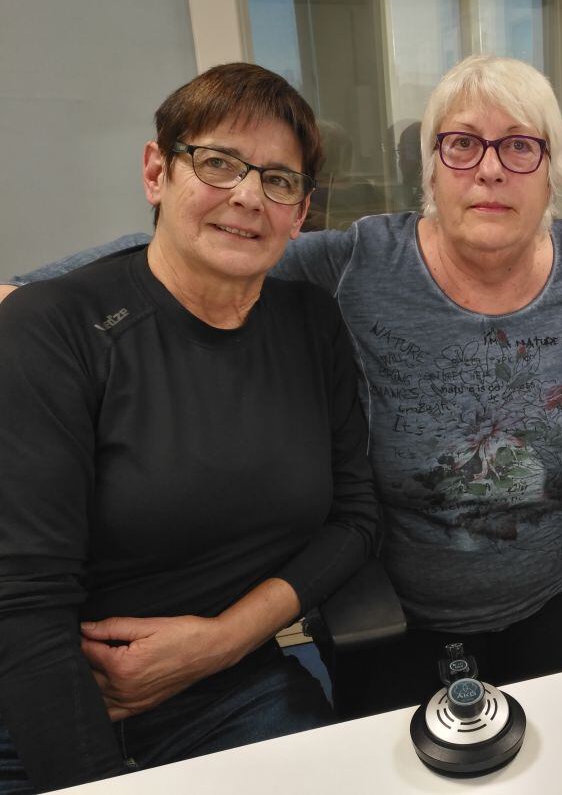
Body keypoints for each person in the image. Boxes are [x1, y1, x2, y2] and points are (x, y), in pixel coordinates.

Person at [3, 55, 562, 715]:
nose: (489, 169)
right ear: (430, 169)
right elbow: (186, 248)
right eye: (461, 144)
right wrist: (27, 294)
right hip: (401, 611)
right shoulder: (357, 266)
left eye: (519, 146)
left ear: (552, 172)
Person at [0, 64, 378, 793]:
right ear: (157, 172)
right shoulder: (53, 331)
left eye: (278, 180)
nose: (248, 196)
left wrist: (224, 642)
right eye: (218, 163)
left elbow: (356, 518)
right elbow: (22, 602)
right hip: (42, 706)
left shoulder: (311, 325)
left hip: (235, 687)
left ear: (300, 213)